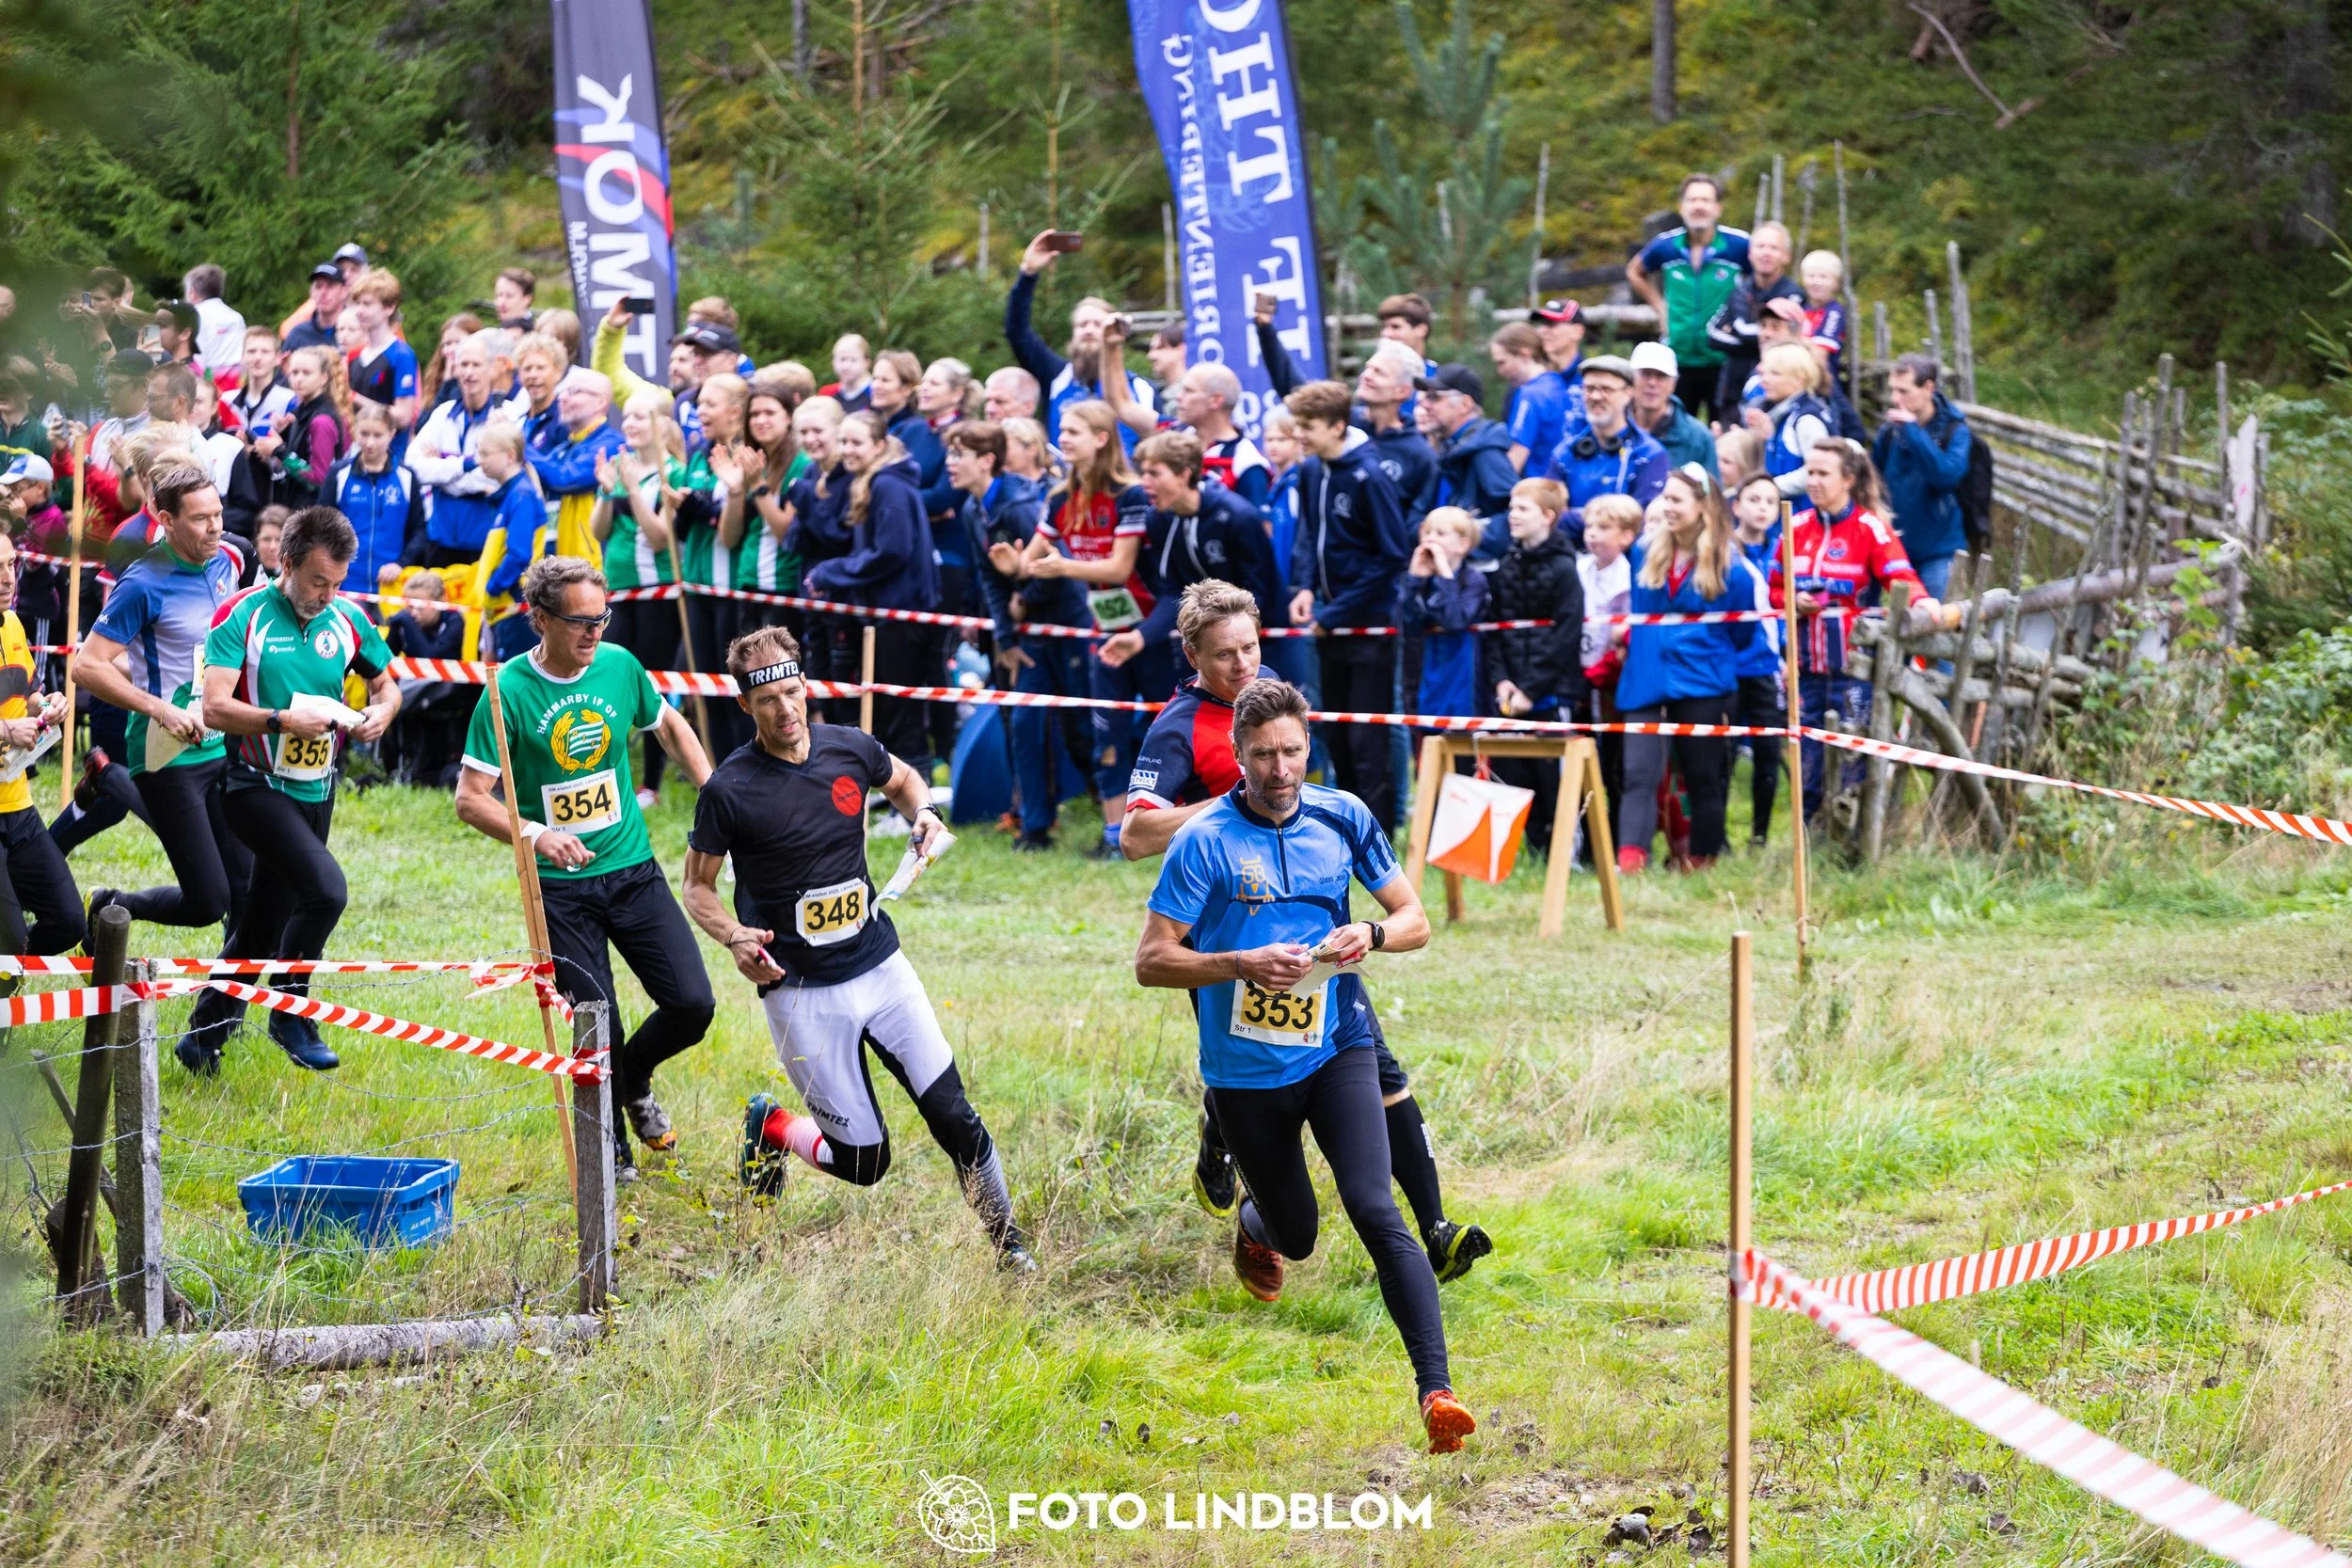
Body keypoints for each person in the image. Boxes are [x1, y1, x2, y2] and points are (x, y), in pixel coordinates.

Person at [1135, 677, 1474, 1455]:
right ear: (1239, 758)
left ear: (1307, 745)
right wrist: (1238, 960)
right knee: (1299, 1234)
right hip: (1245, 1073)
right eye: (1262, 755)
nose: (1280, 768)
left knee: (1376, 1207)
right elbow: (1152, 960)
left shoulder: (1343, 815)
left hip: (1336, 1043)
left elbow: (1413, 917)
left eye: (1292, 751)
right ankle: (1256, 1223)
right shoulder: (1204, 839)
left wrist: (1371, 935)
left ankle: (1438, 1393)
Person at [1121, 583, 1492, 1282]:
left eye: (1250, 649)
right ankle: (1225, 1136)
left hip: (1316, 941)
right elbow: (1135, 833)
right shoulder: (1179, 726)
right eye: (1223, 654)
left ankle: (1434, 1228)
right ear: (1193, 653)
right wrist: (1236, 797)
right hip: (1228, 946)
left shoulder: (1277, 705)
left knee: (1374, 1061)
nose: (1241, 666)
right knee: (1253, 1067)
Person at [687, 626, 1032, 1264]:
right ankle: (775, 1128)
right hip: (800, 994)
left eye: (793, 692)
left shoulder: (850, 748)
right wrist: (733, 935)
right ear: (745, 706)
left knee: (955, 1116)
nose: (786, 710)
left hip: (881, 969)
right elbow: (697, 888)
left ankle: (1009, 1246)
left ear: (806, 686)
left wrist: (923, 811)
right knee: (867, 1161)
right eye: (768, 701)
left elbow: (902, 779)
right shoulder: (728, 790)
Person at [455, 556, 716, 1176]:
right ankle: (612, 1155)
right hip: (560, 889)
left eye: (602, 618)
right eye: (580, 621)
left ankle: (635, 1082)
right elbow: (470, 798)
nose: (594, 633)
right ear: (539, 618)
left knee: (693, 1004)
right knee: (597, 1023)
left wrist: (715, 793)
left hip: (632, 869)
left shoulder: (621, 668)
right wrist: (537, 834)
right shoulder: (508, 692)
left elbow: (669, 725)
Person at [182, 506, 400, 1073]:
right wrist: (280, 721)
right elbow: (215, 706)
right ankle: (291, 1014)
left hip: (316, 788)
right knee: (325, 892)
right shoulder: (243, 615)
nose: (327, 594)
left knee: (261, 921)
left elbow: (387, 683)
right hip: (253, 787)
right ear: (287, 561)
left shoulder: (347, 618)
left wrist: (382, 711)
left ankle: (203, 1035)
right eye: (317, 581)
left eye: (337, 583)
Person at [74, 464, 254, 933]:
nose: (215, 527)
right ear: (167, 521)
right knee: (208, 902)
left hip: (221, 741)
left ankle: (226, 1002)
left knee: (246, 886)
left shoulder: (230, 559)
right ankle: (113, 903)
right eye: (200, 519)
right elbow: (86, 665)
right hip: (165, 755)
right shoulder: (143, 582)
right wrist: (160, 706)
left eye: (218, 514)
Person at [1002, 400, 1152, 856]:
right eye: (1061, 431)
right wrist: (1014, 566)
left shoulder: (1131, 494)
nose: (1063, 438)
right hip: (1104, 630)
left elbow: (1119, 567)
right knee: (1105, 730)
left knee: (1169, 729)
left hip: (1152, 628)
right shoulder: (1060, 498)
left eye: (1073, 431)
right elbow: (1031, 560)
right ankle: (1114, 838)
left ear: (1102, 438)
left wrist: (1060, 566)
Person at [1772, 438, 1937, 821]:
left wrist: (1925, 605)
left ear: (1848, 479)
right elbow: (1773, 590)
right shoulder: (1793, 526)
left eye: (1822, 474)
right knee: (1808, 757)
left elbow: (1901, 578)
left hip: (1853, 669)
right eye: (1809, 472)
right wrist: (1794, 601)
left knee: (1851, 756)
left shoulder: (1870, 528)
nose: (1812, 481)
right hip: (1806, 668)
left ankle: (1850, 840)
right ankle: (1810, 840)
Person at [1613, 466, 1760, 873]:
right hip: (1645, 679)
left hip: (1703, 682)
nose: (1666, 507)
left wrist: (1702, 653)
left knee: (1702, 773)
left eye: (1677, 499)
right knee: (1638, 772)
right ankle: (1630, 859)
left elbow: (1744, 632)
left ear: (1703, 507)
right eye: (1665, 498)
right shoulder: (1644, 551)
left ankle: (1702, 856)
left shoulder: (1731, 566)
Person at [1284, 379, 1410, 830]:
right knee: (1333, 730)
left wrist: (1334, 614)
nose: (1300, 434)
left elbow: (1393, 556)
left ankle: (1379, 832)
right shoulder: (1311, 470)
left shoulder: (1370, 476)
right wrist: (1303, 587)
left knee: (1366, 735)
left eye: (1308, 426)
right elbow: (1306, 535)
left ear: (1338, 427)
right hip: (1326, 622)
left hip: (1369, 627)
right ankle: (1344, 828)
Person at [961, 423, 1085, 851]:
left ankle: (1112, 811)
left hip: (1067, 625)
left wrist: (1025, 598)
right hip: (1028, 639)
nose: (949, 465)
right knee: (1027, 722)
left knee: (1081, 728)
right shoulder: (970, 509)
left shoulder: (1022, 503)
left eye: (957, 455)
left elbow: (1056, 566)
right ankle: (1035, 827)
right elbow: (989, 580)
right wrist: (1007, 639)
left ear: (985, 461)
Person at [803, 409, 939, 771]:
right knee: (885, 706)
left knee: (901, 707)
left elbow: (892, 550)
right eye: (844, 441)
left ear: (879, 445)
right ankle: (894, 787)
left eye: (856, 442)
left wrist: (833, 571)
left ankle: (916, 793)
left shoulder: (887, 485)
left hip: (902, 612)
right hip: (884, 612)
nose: (847, 449)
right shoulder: (870, 481)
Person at [1483, 478, 1588, 854]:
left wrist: (1531, 690)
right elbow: (1494, 630)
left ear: (1548, 516)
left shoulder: (1564, 568)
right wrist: (1502, 682)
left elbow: (1566, 637)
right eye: (1510, 507)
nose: (1512, 515)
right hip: (1511, 693)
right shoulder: (1507, 564)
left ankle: (1569, 855)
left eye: (1522, 508)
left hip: (1552, 693)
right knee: (1514, 775)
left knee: (1554, 779)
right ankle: (1530, 852)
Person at [0, 533, 84, 956]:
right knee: (8, 941)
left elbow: (25, 689)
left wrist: (47, 703)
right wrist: (6, 731)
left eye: (11, 565)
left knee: (68, 920)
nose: (7, 579)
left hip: (17, 804)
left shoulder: (12, 623)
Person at [1133, 431, 1287, 656]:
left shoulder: (1238, 516)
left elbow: (1259, 592)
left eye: (1154, 473)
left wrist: (1220, 632)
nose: (1144, 483)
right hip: (1213, 640)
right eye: (1143, 473)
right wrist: (1140, 636)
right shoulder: (1158, 519)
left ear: (1184, 474)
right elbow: (1174, 593)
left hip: (1264, 639)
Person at [1006, 231, 1157, 444]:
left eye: (1097, 324)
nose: (1088, 330)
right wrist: (1028, 274)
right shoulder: (1056, 377)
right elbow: (1017, 332)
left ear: (1116, 333)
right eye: (1081, 325)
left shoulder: (1141, 387)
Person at [1626, 175, 1750, 423]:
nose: (1698, 206)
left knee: (1723, 431)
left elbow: (1762, 281)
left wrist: (1743, 314)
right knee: (1675, 430)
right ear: (1682, 206)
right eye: (1692, 200)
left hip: (1722, 358)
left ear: (1718, 208)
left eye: (1705, 200)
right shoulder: (1667, 246)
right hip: (1677, 356)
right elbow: (1634, 271)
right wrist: (1660, 307)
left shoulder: (1738, 245)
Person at [408, 329, 521, 567]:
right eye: (464, 365)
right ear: (455, 369)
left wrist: (442, 472)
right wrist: (466, 463)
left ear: (491, 369)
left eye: (476, 365)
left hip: (487, 541)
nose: (469, 373)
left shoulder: (507, 415)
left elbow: (496, 478)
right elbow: (414, 469)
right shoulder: (443, 413)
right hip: (441, 541)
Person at [1871, 354, 1974, 599]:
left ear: (1928, 388)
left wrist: (1913, 431)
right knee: (1897, 627)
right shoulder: (1889, 432)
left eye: (1904, 391)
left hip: (1940, 552)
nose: (1896, 399)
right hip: (1896, 550)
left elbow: (1945, 477)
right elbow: (1873, 481)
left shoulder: (1956, 432)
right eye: (1893, 390)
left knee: (1940, 626)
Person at [1542, 356, 1671, 531]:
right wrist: (1611, 518)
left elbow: (1642, 519)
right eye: (1589, 389)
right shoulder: (1565, 453)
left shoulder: (1649, 454)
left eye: (1606, 389)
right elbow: (1549, 514)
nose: (1595, 396)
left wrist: (1577, 517)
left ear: (1628, 393)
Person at [1729, 473, 1788, 847]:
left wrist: (1784, 654)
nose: (1762, 507)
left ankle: (1760, 834)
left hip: (1767, 667)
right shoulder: (1721, 549)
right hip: (1727, 666)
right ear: (1737, 506)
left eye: (1770, 501)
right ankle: (1712, 834)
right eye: (1754, 499)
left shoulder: (1783, 551)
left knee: (1768, 753)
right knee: (1722, 751)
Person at [526, 363, 624, 568]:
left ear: (600, 402)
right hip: (558, 561)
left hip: (592, 564)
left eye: (574, 391)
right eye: (563, 391)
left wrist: (519, 445)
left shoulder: (611, 444)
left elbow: (565, 478)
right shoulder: (564, 447)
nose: (562, 398)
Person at [471, 421, 553, 659]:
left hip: (514, 607)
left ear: (510, 456)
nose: (479, 460)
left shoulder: (521, 495)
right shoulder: (514, 494)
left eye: (485, 453)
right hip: (506, 608)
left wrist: (493, 588)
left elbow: (519, 555)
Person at [1705, 221, 1803, 420]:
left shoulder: (1793, 295)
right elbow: (1712, 334)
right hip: (1730, 393)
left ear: (1786, 256)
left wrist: (1735, 334)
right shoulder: (1739, 290)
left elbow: (1784, 337)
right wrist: (1755, 340)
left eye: (1774, 248)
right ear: (1750, 254)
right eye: (1760, 246)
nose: (1766, 253)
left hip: (1774, 393)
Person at [1418, 365, 1518, 557]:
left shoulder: (1485, 451)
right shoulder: (1448, 447)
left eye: (1435, 397)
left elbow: (1514, 513)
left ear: (1464, 405)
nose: (1425, 405)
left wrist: (1461, 545)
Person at [1397, 507, 1486, 718]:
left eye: (1441, 534)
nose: (1431, 539)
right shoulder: (1419, 577)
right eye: (1427, 532)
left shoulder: (1474, 580)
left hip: (1463, 679)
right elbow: (1405, 623)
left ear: (1463, 544)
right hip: (1425, 675)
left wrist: (1445, 577)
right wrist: (1414, 580)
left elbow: (1454, 619)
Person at [382, 571, 469, 784]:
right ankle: (392, 765)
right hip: (413, 689)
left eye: (420, 605)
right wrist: (396, 629)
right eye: (409, 605)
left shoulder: (454, 620)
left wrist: (406, 623)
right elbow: (383, 658)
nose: (413, 612)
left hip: (449, 690)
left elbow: (432, 659)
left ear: (441, 602)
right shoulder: (406, 621)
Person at [1171, 364, 1270, 506]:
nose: (1179, 397)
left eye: (1189, 391)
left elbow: (1259, 525)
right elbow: (1128, 409)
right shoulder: (1173, 437)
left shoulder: (1246, 463)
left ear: (1216, 400)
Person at [1751, 342, 1836, 499]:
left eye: (1775, 374)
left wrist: (1770, 488)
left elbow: (1818, 469)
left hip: (1802, 512)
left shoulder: (1807, 419)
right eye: (1764, 373)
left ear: (1800, 379)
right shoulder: (1784, 413)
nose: (1765, 380)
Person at [1490, 322, 1575, 476]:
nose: (1500, 371)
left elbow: (1514, 460)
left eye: (1502, 362)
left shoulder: (1530, 395)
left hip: (1536, 487)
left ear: (1524, 355)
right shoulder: (1559, 384)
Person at [344, 271, 420, 438]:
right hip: (357, 447)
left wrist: (353, 398)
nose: (359, 311)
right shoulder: (355, 354)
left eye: (367, 304)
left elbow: (403, 416)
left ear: (389, 308)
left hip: (390, 453)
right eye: (358, 304)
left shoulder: (402, 355)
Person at [1628, 341, 1719, 480]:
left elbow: (1713, 496)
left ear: (1674, 383)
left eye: (1661, 376)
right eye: (1645, 374)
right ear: (1630, 379)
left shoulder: (1698, 437)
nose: (1652, 383)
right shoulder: (1611, 428)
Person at [181, 263, 245, 379]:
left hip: (207, 384)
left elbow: (193, 361)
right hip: (235, 383)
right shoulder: (236, 318)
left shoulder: (192, 318)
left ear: (192, 292)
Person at [1800, 250, 1851, 390]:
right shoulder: (1802, 308)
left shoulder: (1834, 312)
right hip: (1800, 379)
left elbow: (1819, 354)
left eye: (1823, 277)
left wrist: (1796, 341)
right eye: (1811, 276)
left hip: (1825, 383)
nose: (1816, 282)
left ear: (1836, 283)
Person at [416, 312, 484, 419]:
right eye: (447, 344)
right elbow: (423, 423)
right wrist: (447, 382)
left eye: (458, 342)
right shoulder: (435, 377)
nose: (452, 349)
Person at [279, 263, 349, 355]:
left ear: (343, 292)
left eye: (330, 286)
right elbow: (284, 367)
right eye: (318, 286)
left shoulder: (353, 332)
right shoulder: (299, 334)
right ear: (311, 292)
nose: (323, 293)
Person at [1532, 297, 1587, 379]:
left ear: (1578, 332)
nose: (1543, 330)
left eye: (1551, 323)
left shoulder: (1589, 376)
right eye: (1542, 323)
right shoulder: (1530, 375)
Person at [824, 334, 873, 412]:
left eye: (853, 360)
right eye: (842, 359)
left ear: (866, 363)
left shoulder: (876, 394)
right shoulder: (826, 394)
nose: (846, 366)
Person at [493, 267, 537, 332]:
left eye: (509, 296)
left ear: (527, 299)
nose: (501, 302)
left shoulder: (532, 336)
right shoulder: (504, 329)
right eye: (499, 295)